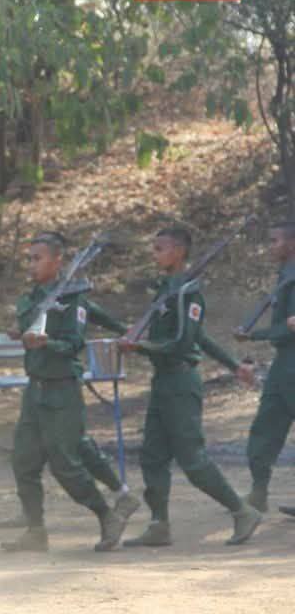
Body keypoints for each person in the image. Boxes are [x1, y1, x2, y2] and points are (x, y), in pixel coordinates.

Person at [119, 227, 261, 547]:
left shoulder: (188, 293)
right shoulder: (168, 290)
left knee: (192, 459)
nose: (154, 254)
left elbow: (184, 343)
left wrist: (140, 347)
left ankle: (242, 511)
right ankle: (159, 524)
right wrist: (234, 365)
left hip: (181, 383)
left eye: (160, 248)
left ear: (179, 252)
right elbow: (200, 337)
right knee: (152, 456)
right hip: (162, 382)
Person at [0, 233, 130, 553]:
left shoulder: (73, 299)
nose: (32, 264)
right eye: (29, 258)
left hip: (62, 390)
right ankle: (35, 530)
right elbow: (29, 328)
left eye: (38, 258)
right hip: (35, 390)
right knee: (23, 461)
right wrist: (21, 333)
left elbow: (74, 343)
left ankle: (106, 515)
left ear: (57, 261)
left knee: (65, 463)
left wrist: (47, 343)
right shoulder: (31, 299)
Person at [233, 221, 295, 513]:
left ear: (292, 244)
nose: (270, 247)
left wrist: (254, 335)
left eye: (275, 241)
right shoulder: (285, 276)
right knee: (264, 429)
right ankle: (259, 491)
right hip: (283, 366)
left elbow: (290, 329)